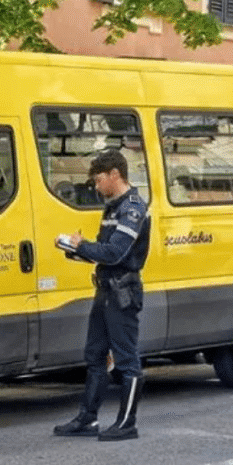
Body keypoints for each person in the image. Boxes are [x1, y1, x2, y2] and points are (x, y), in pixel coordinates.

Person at [53, 148, 150, 441]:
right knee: (94, 354)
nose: (96, 187)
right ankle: (88, 418)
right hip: (105, 288)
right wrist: (75, 250)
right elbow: (104, 253)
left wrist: (82, 246)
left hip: (123, 291)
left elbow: (116, 252)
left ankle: (127, 423)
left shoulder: (132, 207)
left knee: (126, 360)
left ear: (114, 175)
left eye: (98, 180)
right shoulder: (112, 207)